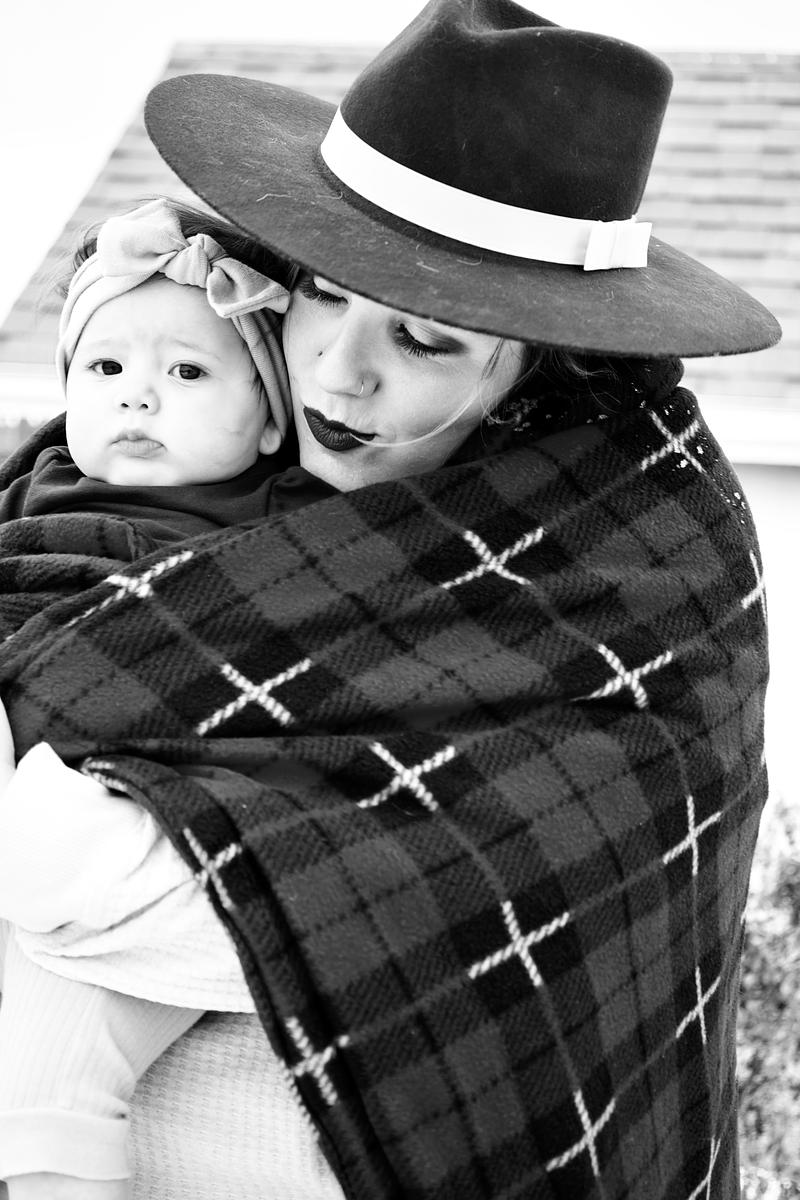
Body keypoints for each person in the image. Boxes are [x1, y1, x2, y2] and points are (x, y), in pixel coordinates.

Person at [0, 0, 782, 1197]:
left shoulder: (635, 580)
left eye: (422, 340)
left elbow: (85, 879)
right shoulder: (150, 458)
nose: (337, 372)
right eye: (321, 293)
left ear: (536, 369)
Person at [0, 196, 336, 1197]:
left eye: (187, 372)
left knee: (52, 1077)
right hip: (30, 785)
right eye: (104, 369)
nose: (137, 397)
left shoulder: (296, 526)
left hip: (168, 832)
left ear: (271, 417)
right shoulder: (28, 495)